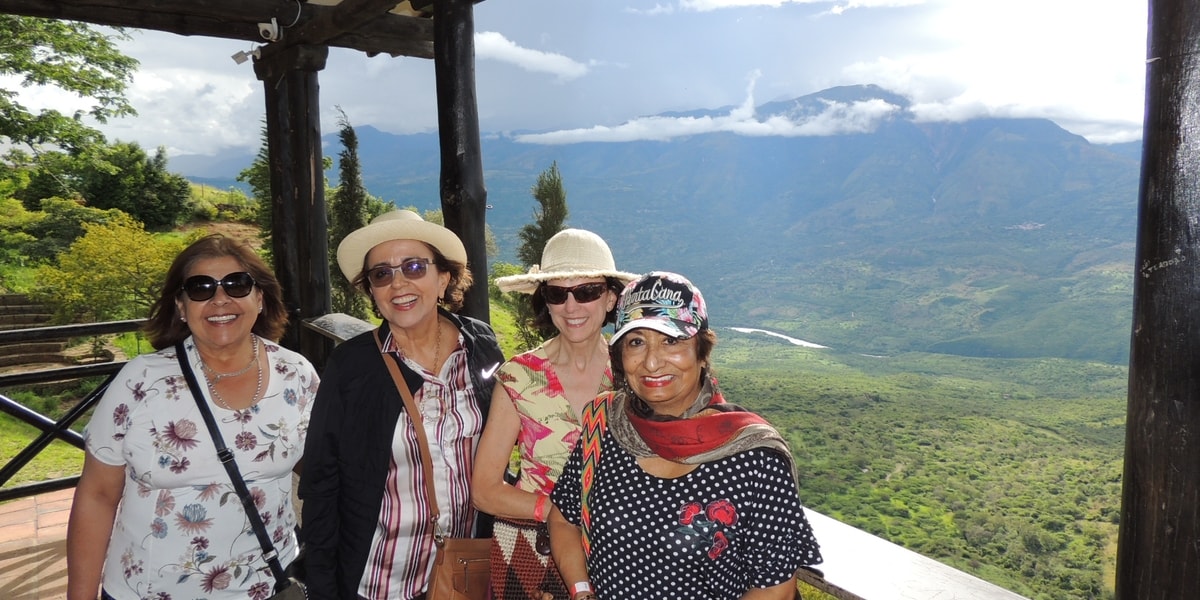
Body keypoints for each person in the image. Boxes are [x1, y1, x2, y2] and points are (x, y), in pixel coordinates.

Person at [66, 234, 321, 600]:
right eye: (200, 288)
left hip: (267, 589)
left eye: (237, 284)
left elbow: (323, 469)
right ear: (182, 307)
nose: (220, 299)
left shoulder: (296, 374)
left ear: (260, 298)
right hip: (148, 592)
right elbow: (97, 496)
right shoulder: (142, 381)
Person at [547, 272, 823, 600]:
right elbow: (563, 517)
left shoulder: (754, 456)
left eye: (672, 340)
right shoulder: (605, 425)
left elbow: (774, 586)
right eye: (636, 342)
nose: (651, 361)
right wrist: (582, 591)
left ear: (702, 351)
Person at [300, 209, 504, 600]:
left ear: (443, 278)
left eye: (413, 266)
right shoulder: (353, 367)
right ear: (372, 293)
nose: (398, 284)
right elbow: (321, 484)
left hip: (463, 573)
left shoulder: (480, 345)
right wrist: (323, 588)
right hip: (381, 580)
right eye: (381, 274)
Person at [475, 229, 637, 599]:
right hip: (530, 552)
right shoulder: (519, 376)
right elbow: (484, 490)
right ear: (545, 302)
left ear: (611, 297)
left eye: (587, 291)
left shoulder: (635, 373)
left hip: (618, 555)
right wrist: (560, 513)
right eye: (557, 293)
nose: (571, 306)